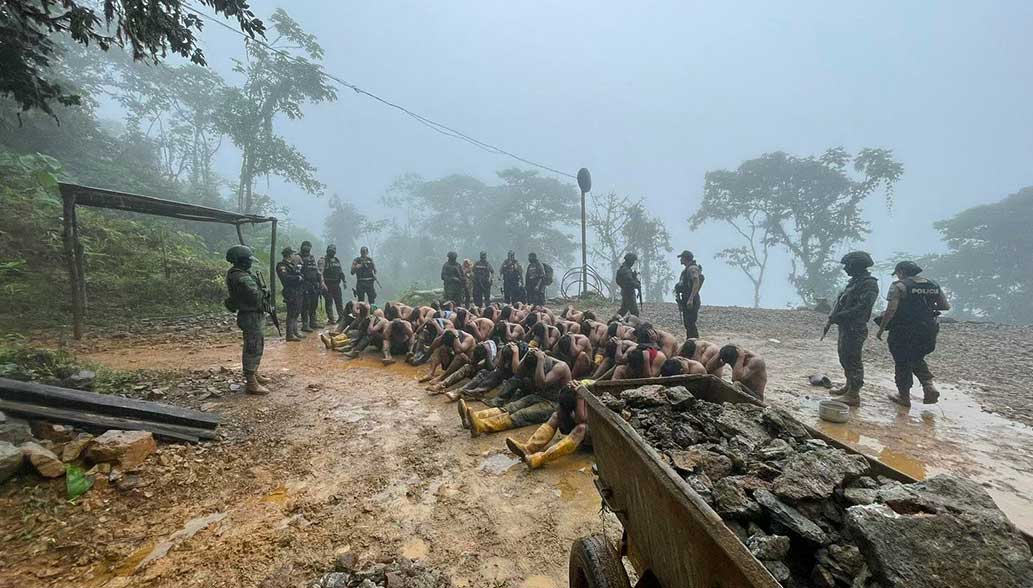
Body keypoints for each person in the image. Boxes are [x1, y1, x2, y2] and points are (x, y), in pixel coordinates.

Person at [877, 261, 949, 407]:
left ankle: (904, 396)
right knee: (916, 357)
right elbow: (945, 306)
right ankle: (928, 385)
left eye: (897, 273)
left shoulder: (900, 286)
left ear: (901, 272)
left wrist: (881, 329)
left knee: (902, 361)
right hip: (928, 329)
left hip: (904, 330)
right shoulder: (933, 285)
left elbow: (891, 310)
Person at [825, 251, 879, 407]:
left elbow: (862, 307)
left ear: (857, 265)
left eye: (848, 265)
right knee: (844, 357)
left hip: (855, 327)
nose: (845, 269)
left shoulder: (869, 283)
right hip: (846, 326)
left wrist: (840, 316)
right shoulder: (855, 282)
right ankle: (848, 386)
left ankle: (854, 394)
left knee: (853, 359)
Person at [506, 381, 589, 470]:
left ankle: (541, 458)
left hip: (597, 432)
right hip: (580, 412)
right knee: (556, 416)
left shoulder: (591, 390)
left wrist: (580, 396)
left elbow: (581, 419)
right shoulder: (579, 385)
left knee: (581, 428)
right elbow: (562, 410)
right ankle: (528, 448)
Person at [224, 245, 272, 395]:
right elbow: (255, 295)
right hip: (250, 315)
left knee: (257, 344)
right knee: (253, 347)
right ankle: (251, 382)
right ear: (241, 260)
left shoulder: (239, 274)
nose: (250, 263)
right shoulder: (241, 276)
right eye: (247, 260)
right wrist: (264, 292)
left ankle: (254, 373)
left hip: (252, 314)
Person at [275, 246, 304, 342]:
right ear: (289, 255)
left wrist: (299, 276)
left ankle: (295, 332)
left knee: (296, 313)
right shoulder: (281, 265)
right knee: (291, 314)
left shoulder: (291, 265)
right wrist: (297, 278)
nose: (294, 256)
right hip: (290, 291)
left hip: (297, 291)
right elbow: (285, 278)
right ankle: (289, 335)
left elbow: (297, 274)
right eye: (292, 254)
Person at [675, 250, 704, 338]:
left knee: (690, 323)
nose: (680, 260)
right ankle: (691, 340)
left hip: (691, 299)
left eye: (682, 258)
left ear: (685, 258)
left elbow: (696, 282)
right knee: (688, 323)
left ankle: (693, 342)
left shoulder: (692, 269)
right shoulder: (687, 270)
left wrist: (691, 298)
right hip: (686, 298)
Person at [319, 244, 346, 324]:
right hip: (327, 285)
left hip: (336, 285)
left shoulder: (337, 260)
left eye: (333, 251)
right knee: (329, 302)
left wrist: (344, 281)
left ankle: (341, 317)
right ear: (327, 251)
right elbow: (320, 272)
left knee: (339, 302)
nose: (332, 252)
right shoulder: (323, 260)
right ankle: (331, 319)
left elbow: (340, 272)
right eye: (331, 250)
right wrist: (322, 283)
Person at [298, 241, 322, 331]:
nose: (307, 249)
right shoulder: (298, 257)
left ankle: (313, 322)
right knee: (306, 305)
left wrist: (320, 282)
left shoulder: (312, 257)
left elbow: (316, 270)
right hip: (304, 284)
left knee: (314, 304)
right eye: (306, 247)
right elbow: (297, 271)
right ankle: (305, 325)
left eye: (309, 247)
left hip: (314, 284)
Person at [615, 253, 641, 317]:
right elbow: (630, 282)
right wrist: (637, 284)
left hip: (627, 291)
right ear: (629, 260)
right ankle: (613, 322)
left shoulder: (626, 269)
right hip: (628, 292)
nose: (633, 263)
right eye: (632, 261)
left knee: (624, 309)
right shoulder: (626, 270)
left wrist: (634, 276)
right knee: (634, 312)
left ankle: (613, 321)